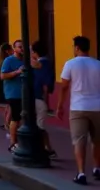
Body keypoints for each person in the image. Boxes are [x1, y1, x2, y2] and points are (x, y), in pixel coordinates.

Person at [56, 36, 100, 185]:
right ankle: (97, 168)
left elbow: (64, 86)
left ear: (76, 48)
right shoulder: (98, 64)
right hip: (97, 107)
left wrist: (60, 105)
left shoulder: (70, 64)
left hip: (78, 107)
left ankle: (81, 173)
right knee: (97, 140)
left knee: (79, 141)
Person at [31, 40, 56, 158]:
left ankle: (47, 149)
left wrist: (45, 100)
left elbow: (45, 84)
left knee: (39, 126)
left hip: (39, 98)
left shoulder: (43, 63)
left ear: (35, 52)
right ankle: (47, 148)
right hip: (38, 97)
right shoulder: (43, 63)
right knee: (37, 125)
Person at [1, 39, 25, 152]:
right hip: (13, 93)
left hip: (25, 93)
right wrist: (17, 72)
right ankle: (12, 143)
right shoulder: (9, 60)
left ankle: (20, 140)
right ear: (14, 49)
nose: (22, 49)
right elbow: (3, 75)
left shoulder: (26, 60)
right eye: (19, 47)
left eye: (23, 47)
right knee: (15, 118)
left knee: (23, 118)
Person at [0, 43, 14, 134]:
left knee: (8, 106)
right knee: (10, 107)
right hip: (10, 85)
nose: (13, 51)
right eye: (11, 49)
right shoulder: (7, 61)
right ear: (7, 51)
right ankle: (7, 125)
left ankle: (5, 123)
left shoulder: (0, 61)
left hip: (5, 85)